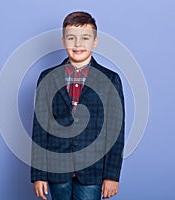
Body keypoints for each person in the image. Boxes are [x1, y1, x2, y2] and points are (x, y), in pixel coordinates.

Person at [31, 11, 125, 200]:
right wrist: (38, 174)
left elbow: (115, 131)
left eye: (85, 38)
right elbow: (40, 129)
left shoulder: (110, 80)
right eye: (71, 38)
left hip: (93, 171)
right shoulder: (47, 78)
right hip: (57, 170)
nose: (78, 44)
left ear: (95, 41)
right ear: (63, 41)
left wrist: (112, 176)